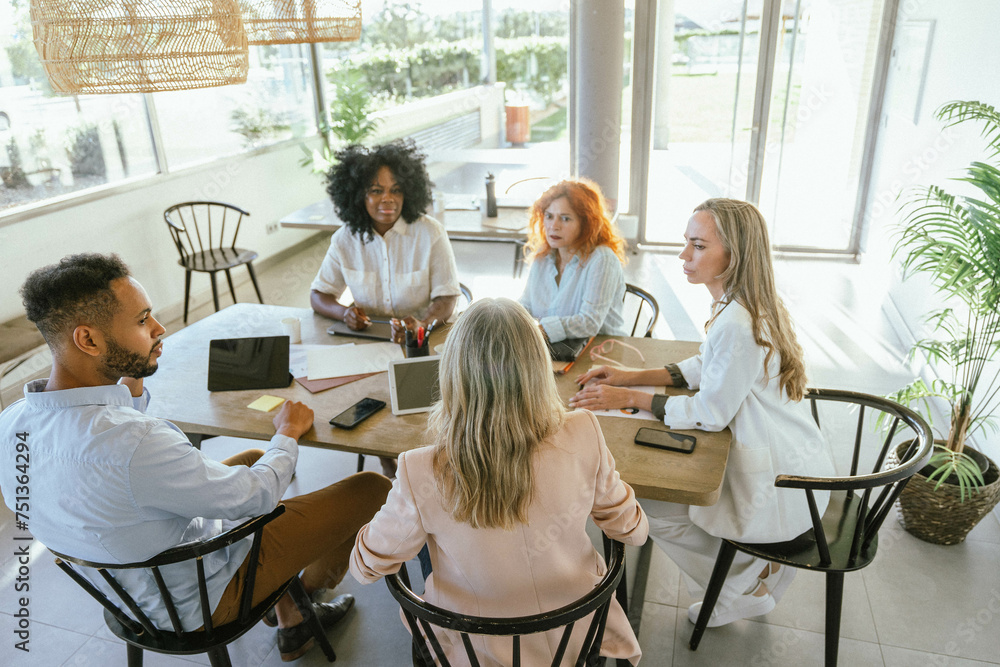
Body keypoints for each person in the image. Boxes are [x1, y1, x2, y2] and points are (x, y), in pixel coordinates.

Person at [0, 254, 392, 662]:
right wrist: (287, 433)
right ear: (90, 341)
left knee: (255, 456)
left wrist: (129, 373)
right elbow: (255, 497)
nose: (159, 328)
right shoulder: (137, 443)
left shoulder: (10, 424)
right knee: (371, 488)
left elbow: (110, 458)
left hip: (127, 592)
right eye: (142, 321)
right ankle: (301, 600)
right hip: (200, 598)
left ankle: (289, 611)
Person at [570, 198, 836, 627]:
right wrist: (630, 377)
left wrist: (629, 400)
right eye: (686, 243)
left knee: (647, 504)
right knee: (658, 498)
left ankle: (738, 584)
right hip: (796, 461)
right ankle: (743, 576)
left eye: (697, 246)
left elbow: (711, 412)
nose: (683, 256)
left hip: (782, 485)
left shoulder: (737, 322)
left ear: (734, 256)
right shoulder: (741, 302)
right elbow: (705, 366)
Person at [349, 298, 648, 665]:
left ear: (453, 376)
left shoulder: (419, 469)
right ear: (538, 367)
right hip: (577, 636)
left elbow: (364, 569)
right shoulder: (584, 431)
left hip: (473, 649)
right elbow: (633, 531)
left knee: (431, 542)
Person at [310, 139, 461, 344]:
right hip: (367, 342)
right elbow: (319, 295)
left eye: (396, 190)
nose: (388, 198)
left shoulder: (430, 233)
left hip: (421, 340)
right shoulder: (344, 239)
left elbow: (447, 297)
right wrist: (345, 314)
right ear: (358, 196)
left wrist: (423, 324)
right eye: (376, 191)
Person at [518, 178, 628, 343]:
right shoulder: (543, 255)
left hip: (601, 351)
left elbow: (589, 323)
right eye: (549, 216)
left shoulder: (602, 260)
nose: (554, 226)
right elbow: (525, 305)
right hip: (554, 348)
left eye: (565, 218)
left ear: (586, 223)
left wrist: (539, 330)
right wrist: (508, 317)